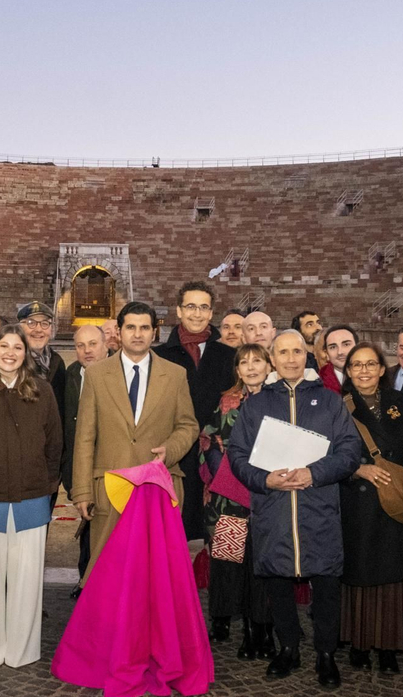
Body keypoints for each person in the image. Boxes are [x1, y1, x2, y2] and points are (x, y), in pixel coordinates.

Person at [228, 330, 364, 688]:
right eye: (283, 352)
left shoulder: (330, 401)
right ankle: (287, 647)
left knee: (326, 582)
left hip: (318, 506)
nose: (291, 359)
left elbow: (350, 451)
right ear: (273, 359)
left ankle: (326, 653)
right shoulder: (255, 405)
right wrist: (264, 480)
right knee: (277, 581)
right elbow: (237, 455)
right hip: (273, 506)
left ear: (308, 356)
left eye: (297, 351)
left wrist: (314, 473)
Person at [70, 302, 199, 579]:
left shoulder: (175, 375)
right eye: (131, 327)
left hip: (158, 489)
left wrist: (170, 450)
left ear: (154, 332)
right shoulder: (96, 375)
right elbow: (85, 437)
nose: (137, 334)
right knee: (109, 574)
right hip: (109, 488)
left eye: (144, 328)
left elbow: (188, 425)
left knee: (154, 574)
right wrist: (81, 491)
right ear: (119, 332)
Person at [0, 324, 62, 667]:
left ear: (26, 353)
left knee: (27, 580)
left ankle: (22, 649)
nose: (10, 353)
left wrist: (45, 485)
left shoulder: (42, 391)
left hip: (31, 498)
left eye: (17, 347)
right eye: (3, 346)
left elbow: (55, 443)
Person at [337, 343, 403, 673]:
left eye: (370, 364)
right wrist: (357, 469)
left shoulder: (399, 402)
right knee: (359, 574)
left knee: (393, 575)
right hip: (357, 502)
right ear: (348, 372)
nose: (363, 370)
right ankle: (360, 643)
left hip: (396, 500)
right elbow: (329, 456)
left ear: (381, 369)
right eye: (356, 365)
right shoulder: (338, 406)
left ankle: (389, 646)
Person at [202, 344, 275, 660]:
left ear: (269, 365)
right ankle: (243, 627)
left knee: (265, 564)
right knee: (233, 565)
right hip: (230, 498)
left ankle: (263, 630)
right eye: (244, 362)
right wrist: (228, 476)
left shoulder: (282, 400)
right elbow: (208, 440)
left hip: (271, 497)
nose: (251, 367)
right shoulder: (227, 402)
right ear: (237, 370)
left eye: (257, 360)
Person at [156, 282, 237, 545]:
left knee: (221, 538)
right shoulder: (159, 357)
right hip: (175, 457)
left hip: (218, 459)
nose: (197, 313)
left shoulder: (230, 356)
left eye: (204, 307)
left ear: (211, 313)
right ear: (179, 311)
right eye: (191, 306)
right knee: (170, 535)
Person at [62, 324, 110, 588]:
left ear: (106, 345)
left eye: (93, 344)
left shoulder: (120, 373)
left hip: (111, 467)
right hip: (80, 467)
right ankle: (86, 582)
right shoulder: (70, 375)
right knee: (87, 525)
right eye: (80, 345)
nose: (87, 350)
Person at [18, 301, 67, 416]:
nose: (39, 329)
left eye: (45, 324)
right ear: (20, 328)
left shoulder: (57, 362)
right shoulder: (15, 362)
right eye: (31, 323)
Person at [319, 325, 357, 394]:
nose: (340, 352)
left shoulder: (375, 378)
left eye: (346, 344)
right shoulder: (318, 384)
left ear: (358, 348)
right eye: (333, 347)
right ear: (327, 353)